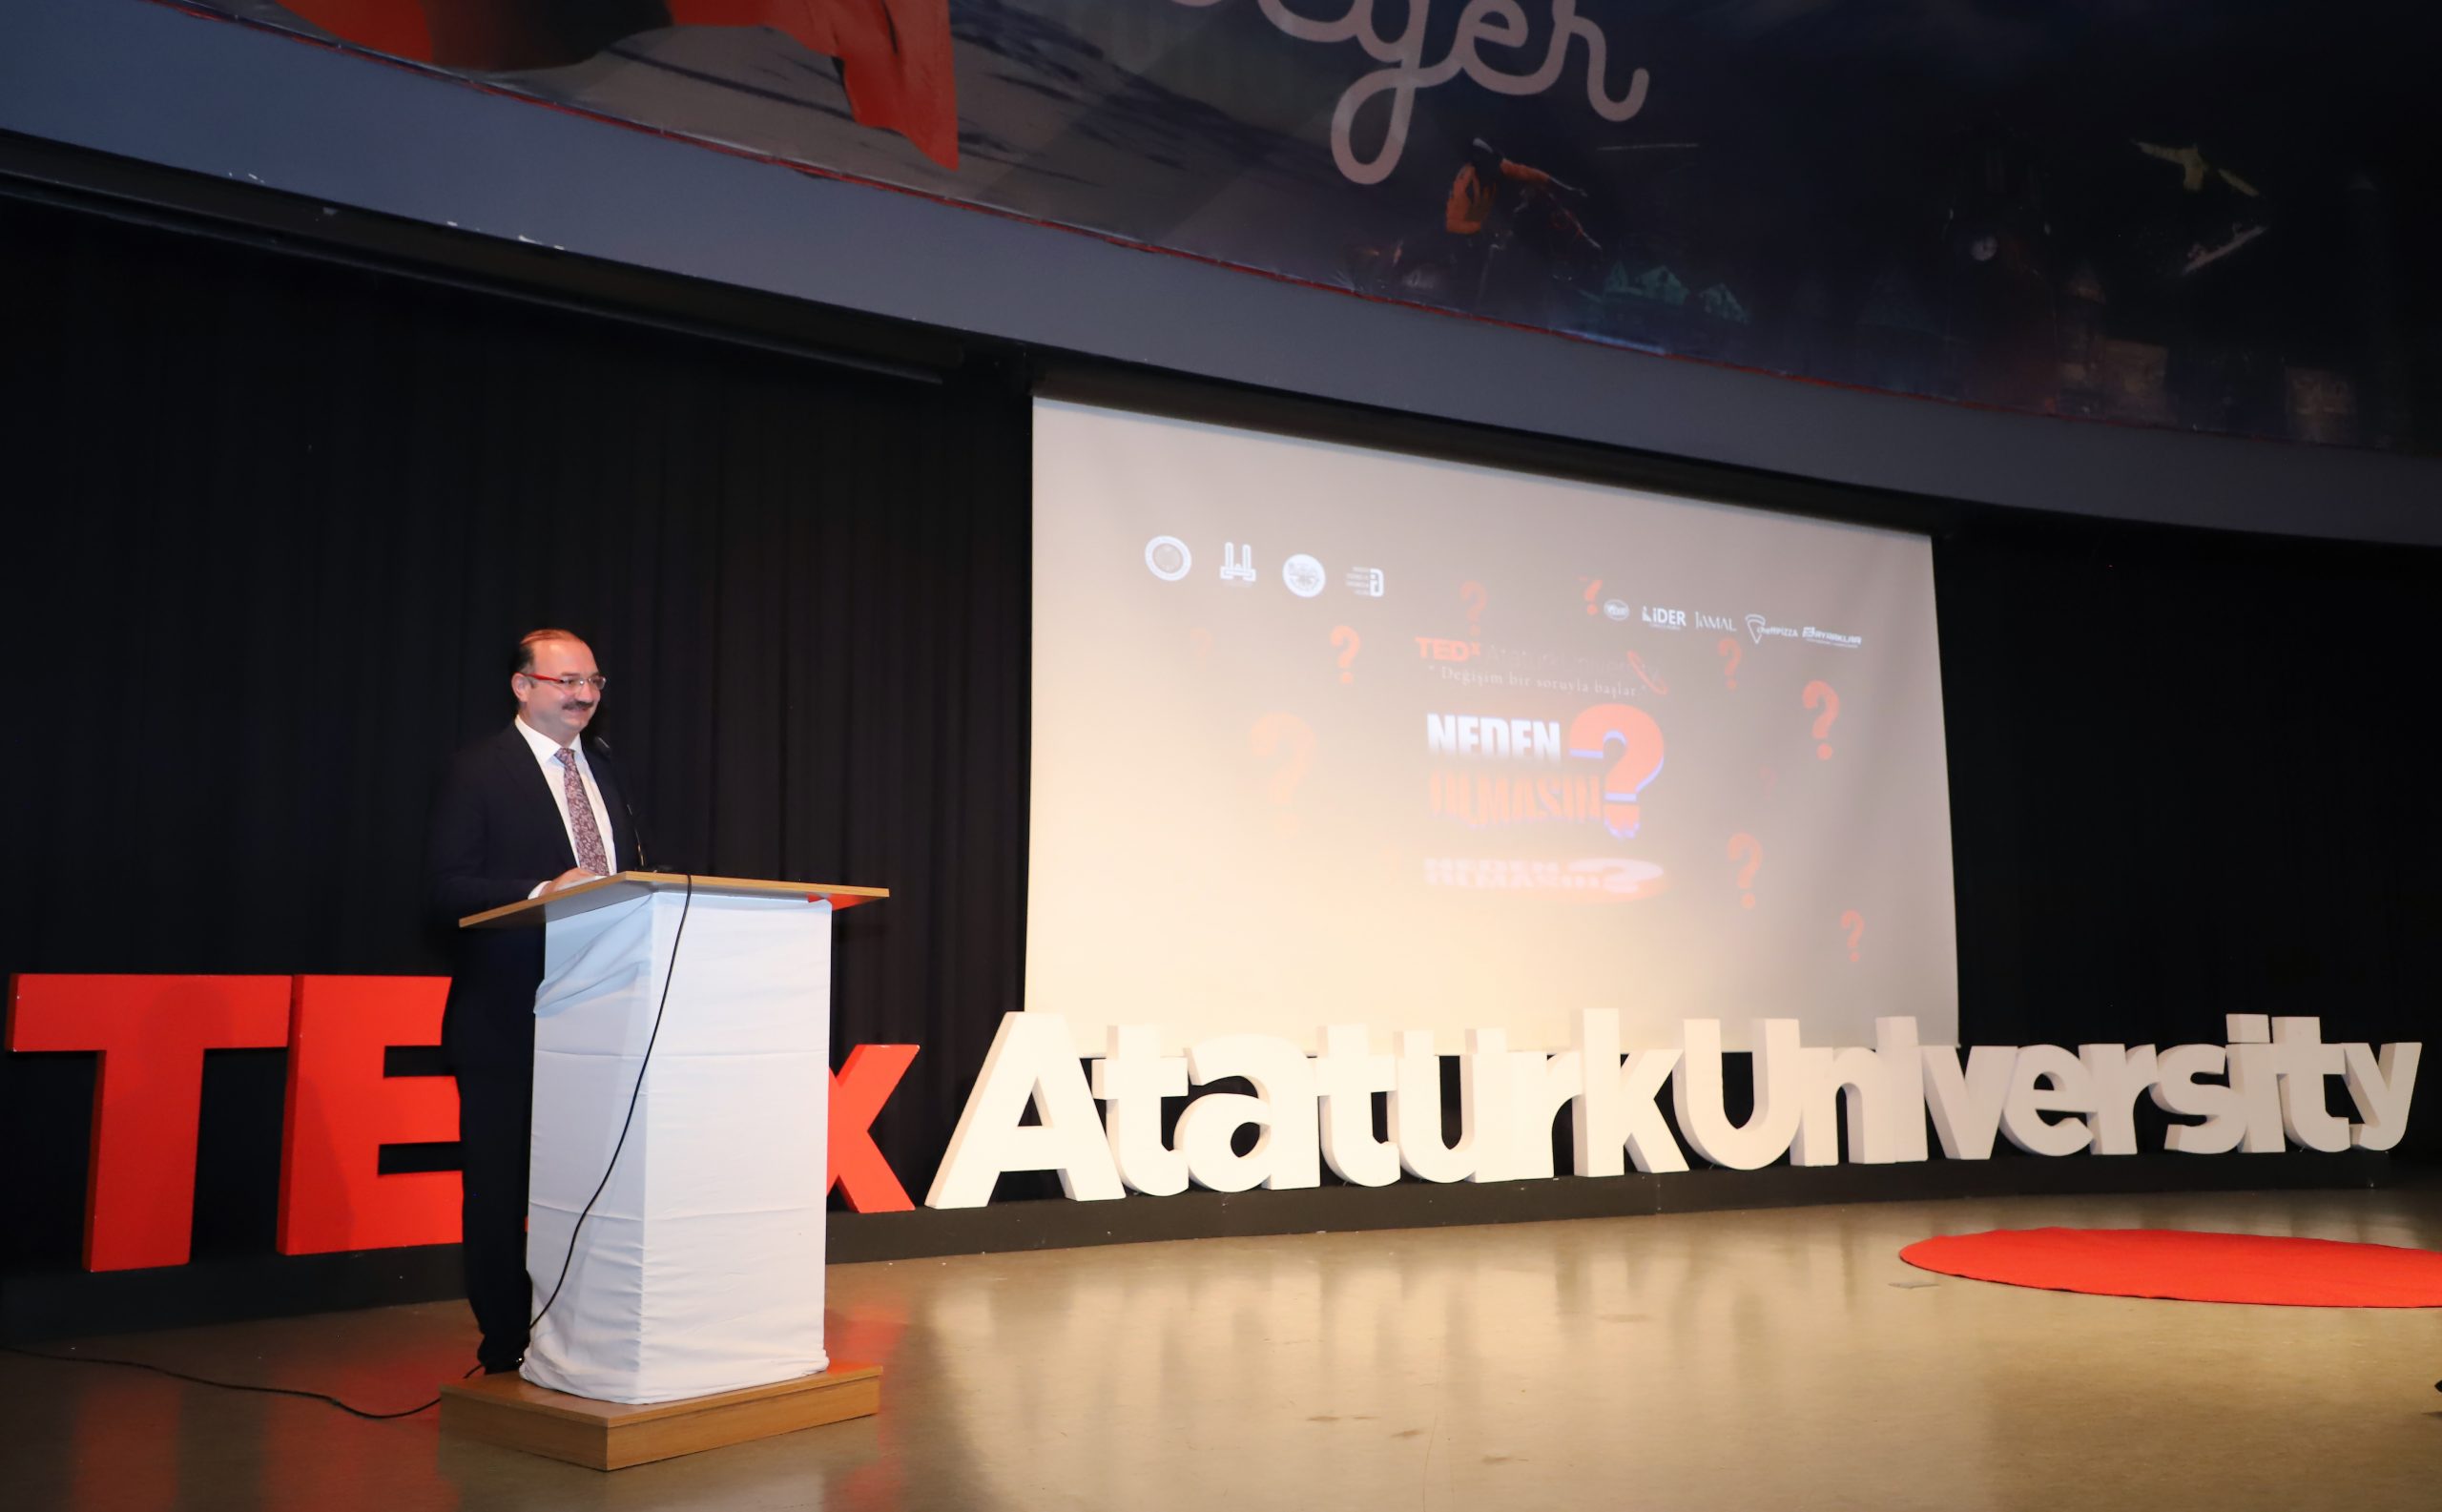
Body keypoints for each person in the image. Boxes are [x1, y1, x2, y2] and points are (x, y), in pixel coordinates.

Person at [425, 629, 646, 1375]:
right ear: (523, 686)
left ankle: (584, 1332)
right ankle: (506, 1343)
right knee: (500, 1190)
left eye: (593, 681)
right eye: (566, 681)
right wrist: (541, 891)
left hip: (603, 1018)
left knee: (590, 1185)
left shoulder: (605, 769)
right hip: (506, 1018)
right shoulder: (477, 771)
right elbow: (445, 889)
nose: (584, 695)